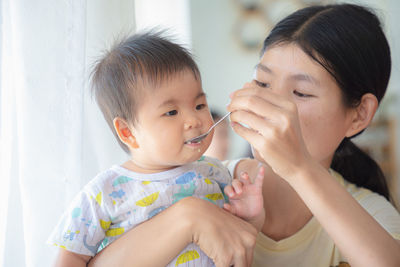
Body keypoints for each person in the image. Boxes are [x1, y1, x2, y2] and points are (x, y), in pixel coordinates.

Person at [88, 3, 400, 267]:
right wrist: (189, 217)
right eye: (262, 84)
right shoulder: (203, 185)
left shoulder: (368, 215)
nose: (270, 104)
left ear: (359, 115)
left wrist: (298, 166)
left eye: (301, 92)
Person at [47, 31, 265, 267]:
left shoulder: (215, 173)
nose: (194, 120)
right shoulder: (103, 193)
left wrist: (251, 217)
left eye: (199, 104)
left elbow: (238, 244)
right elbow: (69, 259)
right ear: (127, 132)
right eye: (171, 112)